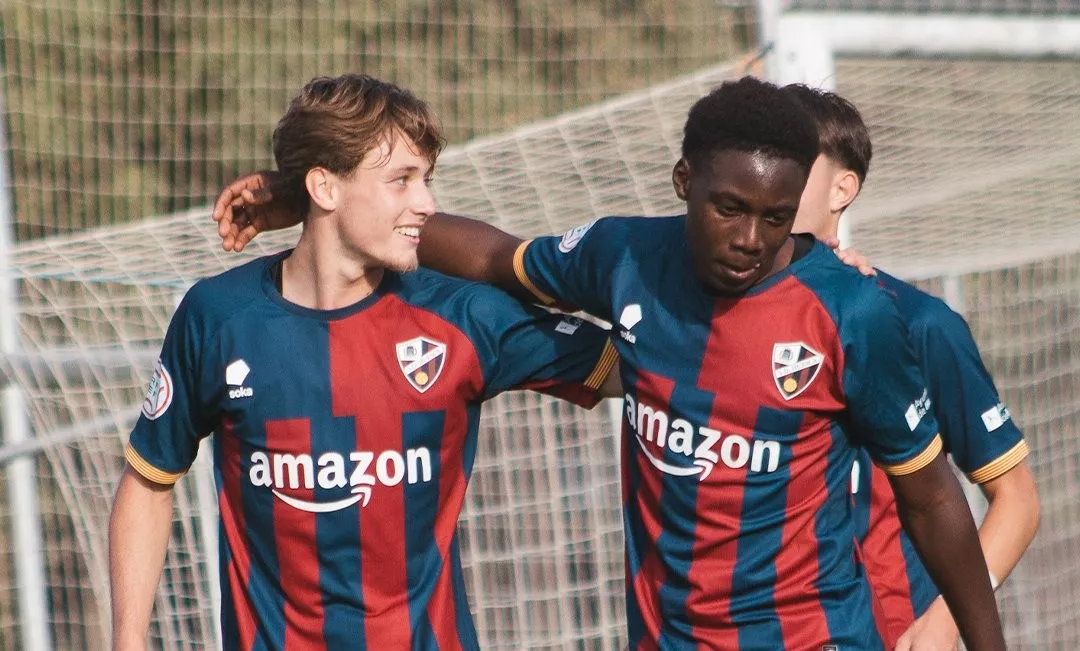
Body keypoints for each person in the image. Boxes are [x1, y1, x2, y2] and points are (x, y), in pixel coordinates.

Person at [211, 76, 1006, 650]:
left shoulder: (852, 311)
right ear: (685, 183)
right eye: (729, 208)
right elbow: (495, 257)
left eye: (775, 217)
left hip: (810, 634)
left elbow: (935, 500)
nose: (751, 239)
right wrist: (316, 208)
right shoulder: (624, 256)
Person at [108, 74, 621, 651]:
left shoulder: (464, 317)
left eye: (426, 180)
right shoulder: (218, 316)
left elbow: (637, 362)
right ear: (324, 187)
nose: (426, 203)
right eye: (401, 181)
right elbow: (149, 481)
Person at [784, 83, 1039, 650]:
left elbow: (1017, 499)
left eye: (792, 163)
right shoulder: (721, 325)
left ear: (841, 188)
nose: (769, 177)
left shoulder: (919, 325)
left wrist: (945, 622)